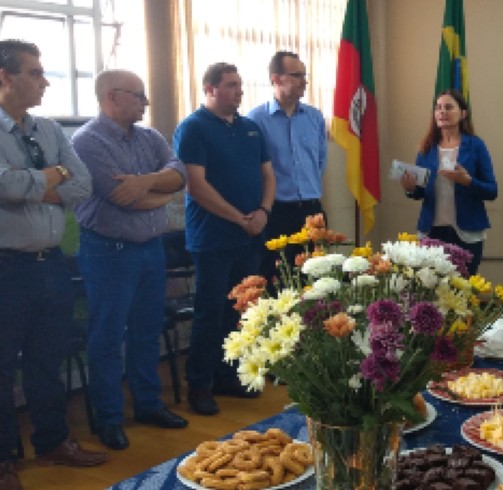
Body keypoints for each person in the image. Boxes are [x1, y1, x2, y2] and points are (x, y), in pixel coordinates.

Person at [0, 39, 106, 490]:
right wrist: (52, 177)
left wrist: (32, 183)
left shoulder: (49, 129)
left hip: (49, 264)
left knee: (46, 361)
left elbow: (84, 185)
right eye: (34, 72)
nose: (44, 81)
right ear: (4, 76)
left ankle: (53, 442)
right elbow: (1, 185)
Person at [71, 69, 189, 451]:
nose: (145, 103)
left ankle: (148, 405)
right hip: (108, 252)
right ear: (111, 96)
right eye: (138, 95)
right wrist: (157, 190)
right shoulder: (87, 141)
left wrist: (144, 182)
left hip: (150, 249)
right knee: (107, 337)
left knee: (146, 330)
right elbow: (120, 196)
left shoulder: (150, 136)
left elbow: (179, 175)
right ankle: (108, 418)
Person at [173, 62, 275, 416]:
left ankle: (229, 376)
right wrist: (239, 218)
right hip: (213, 238)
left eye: (240, 84)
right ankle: (200, 384)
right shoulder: (193, 128)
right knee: (210, 312)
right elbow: (196, 186)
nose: (239, 90)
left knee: (242, 312)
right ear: (210, 89)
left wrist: (262, 211)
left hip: (250, 234)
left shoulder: (249, 128)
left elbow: (268, 174)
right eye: (231, 85)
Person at [247, 51, 328, 286]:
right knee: (278, 283)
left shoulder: (314, 117)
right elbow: (256, 170)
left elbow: (320, 162)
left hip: (313, 211)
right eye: (297, 75)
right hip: (278, 213)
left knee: (318, 284)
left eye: (305, 75)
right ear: (276, 79)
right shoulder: (256, 119)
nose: (304, 81)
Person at [400, 89, 497, 275]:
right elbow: (420, 192)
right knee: (431, 289)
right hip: (431, 232)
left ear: (463, 113)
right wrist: (410, 189)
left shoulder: (476, 145)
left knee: (463, 290)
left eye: (448, 107)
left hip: (467, 233)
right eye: (438, 108)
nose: (442, 112)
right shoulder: (426, 148)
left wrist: (468, 181)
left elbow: (492, 191)